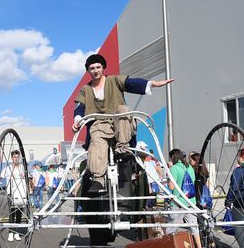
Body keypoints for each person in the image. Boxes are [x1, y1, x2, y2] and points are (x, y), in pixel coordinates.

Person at [72, 53, 173, 193]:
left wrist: (151, 84)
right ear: (88, 70)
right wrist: (77, 121)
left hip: (119, 122)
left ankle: (123, 149)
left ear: (103, 68)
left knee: (123, 109)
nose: (95, 70)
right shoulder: (85, 90)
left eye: (98, 67)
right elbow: (79, 108)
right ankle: (98, 179)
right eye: (92, 68)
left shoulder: (113, 80)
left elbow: (130, 83)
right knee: (96, 142)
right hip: (99, 125)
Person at [166, 149, 204, 248]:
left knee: (172, 227)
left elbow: (171, 187)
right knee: (194, 226)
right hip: (190, 202)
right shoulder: (189, 168)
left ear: (173, 157)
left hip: (178, 202)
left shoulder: (174, 168)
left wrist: (169, 171)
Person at [0, 150, 28, 242]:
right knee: (12, 212)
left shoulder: (23, 168)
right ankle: (11, 232)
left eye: (17, 157)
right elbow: (0, 177)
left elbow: (29, 179)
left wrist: (25, 176)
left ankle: (17, 232)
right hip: (11, 193)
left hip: (21, 193)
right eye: (14, 157)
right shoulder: (7, 168)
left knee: (19, 213)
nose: (16, 159)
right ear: (12, 158)